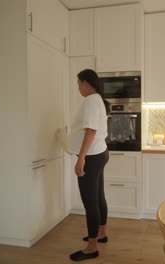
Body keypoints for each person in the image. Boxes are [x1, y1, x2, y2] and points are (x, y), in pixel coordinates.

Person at [68, 69, 109, 262]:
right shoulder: (98, 99)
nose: (78, 88)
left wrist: (81, 158)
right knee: (98, 196)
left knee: (90, 202)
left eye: (78, 84)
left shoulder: (91, 100)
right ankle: (101, 233)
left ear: (85, 83)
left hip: (91, 157)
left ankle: (92, 247)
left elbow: (91, 130)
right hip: (100, 153)